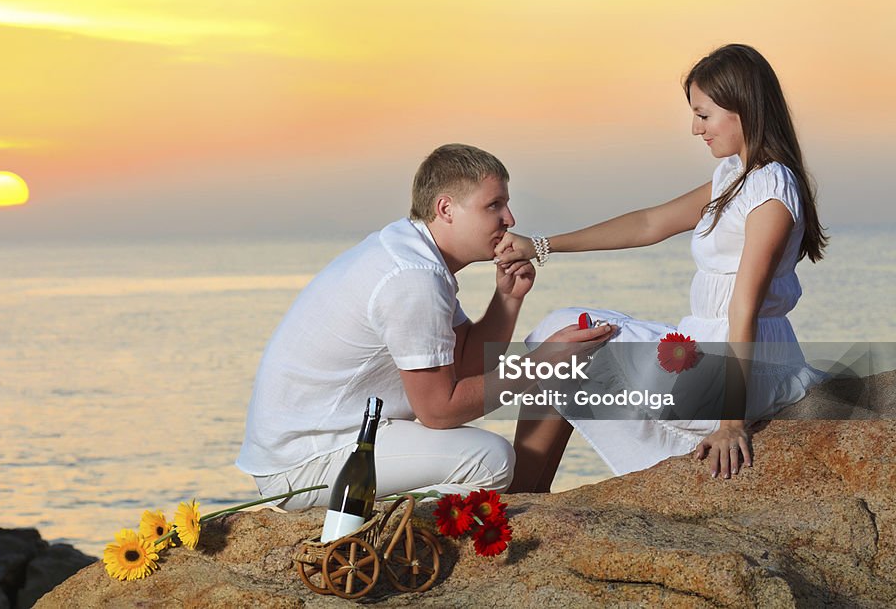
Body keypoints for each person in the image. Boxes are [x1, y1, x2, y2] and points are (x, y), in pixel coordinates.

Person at [495, 44, 828, 490]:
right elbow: (649, 223)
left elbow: (743, 309)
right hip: (708, 347)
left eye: (704, 115)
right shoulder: (735, 176)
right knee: (566, 338)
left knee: (567, 336)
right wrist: (540, 245)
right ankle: (527, 496)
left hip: (738, 364)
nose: (695, 128)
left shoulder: (769, 190)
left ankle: (522, 495)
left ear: (743, 108)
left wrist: (731, 423)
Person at [236, 143, 614, 509]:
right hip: (304, 465)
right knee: (491, 460)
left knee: (486, 457)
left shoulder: (412, 252)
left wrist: (508, 299)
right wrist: (544, 362)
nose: (510, 219)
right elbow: (439, 411)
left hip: (328, 442)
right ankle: (396, 531)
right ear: (446, 209)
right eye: (494, 205)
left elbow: (467, 363)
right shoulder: (413, 277)